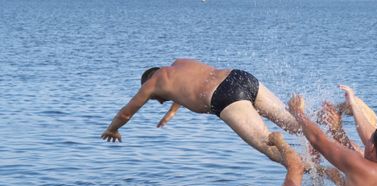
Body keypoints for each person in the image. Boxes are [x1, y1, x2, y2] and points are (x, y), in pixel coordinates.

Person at [101, 58, 300, 164]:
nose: (159, 102)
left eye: (154, 98)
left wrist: (112, 129)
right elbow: (187, 89)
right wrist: (171, 113)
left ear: (149, 81)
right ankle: (329, 123)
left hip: (225, 97)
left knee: (272, 150)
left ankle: (322, 172)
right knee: (295, 124)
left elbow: (126, 113)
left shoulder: (152, 83)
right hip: (238, 76)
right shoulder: (180, 64)